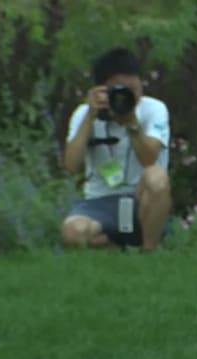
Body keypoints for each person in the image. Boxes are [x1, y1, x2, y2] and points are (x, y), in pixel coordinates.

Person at [60, 47, 172, 252]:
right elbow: (70, 165)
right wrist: (90, 117)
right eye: (119, 90)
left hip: (142, 201)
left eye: (134, 89)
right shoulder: (84, 114)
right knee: (72, 232)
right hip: (99, 201)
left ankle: (149, 252)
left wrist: (132, 124)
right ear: (101, 89)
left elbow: (149, 159)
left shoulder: (154, 109)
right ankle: (114, 249)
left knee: (157, 176)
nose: (129, 96)